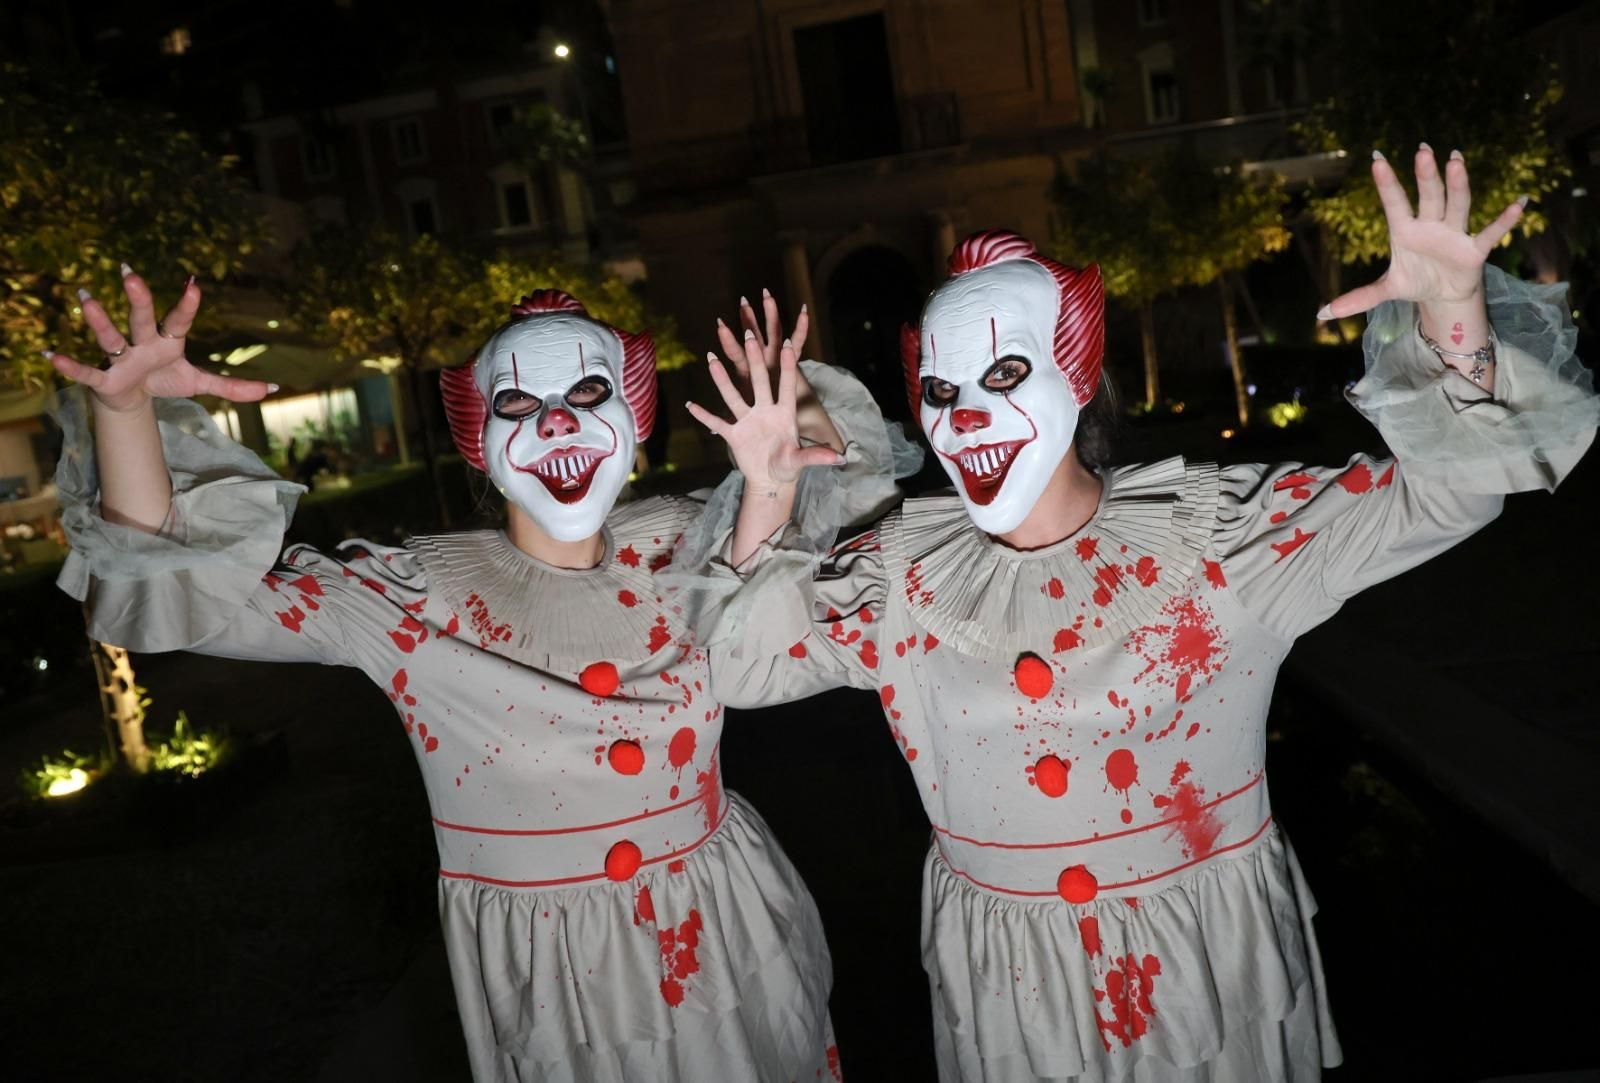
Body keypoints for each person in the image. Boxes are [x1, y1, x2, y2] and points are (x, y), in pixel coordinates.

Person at [694, 147, 1599, 1080]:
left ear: (1077, 373)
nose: (965, 417)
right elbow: (742, 666)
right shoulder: (899, 573)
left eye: (1004, 373)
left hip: (1202, 986)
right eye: (941, 391)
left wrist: (1454, 311)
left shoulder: (1221, 538)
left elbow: (1458, 491)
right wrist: (765, 494)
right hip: (1011, 997)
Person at [46, 274, 900, 1082]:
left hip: (722, 922)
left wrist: (797, 421)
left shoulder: (683, 538)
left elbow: (828, 510)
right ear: (479, 443)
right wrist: (123, 412)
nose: (559, 425)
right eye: (519, 403)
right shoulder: (414, 593)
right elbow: (173, 596)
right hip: (564, 976)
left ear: (636, 422)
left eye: (589, 395)